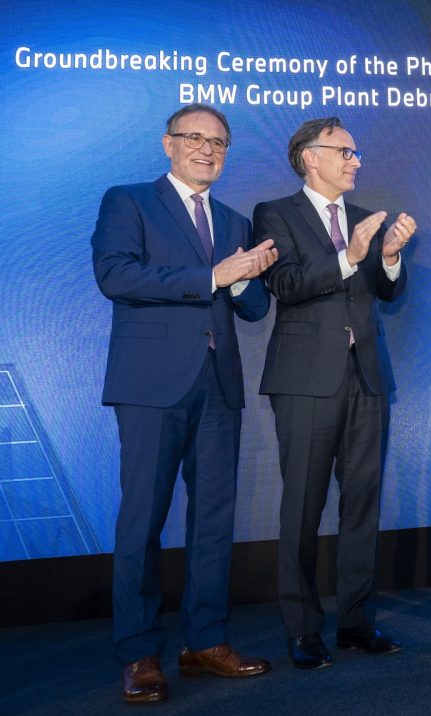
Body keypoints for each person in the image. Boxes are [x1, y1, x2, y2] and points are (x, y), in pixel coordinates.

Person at [91, 103, 276, 703]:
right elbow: (116, 276)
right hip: (150, 385)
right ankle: (138, 652)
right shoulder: (128, 201)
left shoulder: (234, 220)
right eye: (194, 137)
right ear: (168, 144)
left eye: (218, 142)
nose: (206, 149)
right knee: (141, 521)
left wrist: (243, 278)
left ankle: (205, 641)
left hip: (218, 385)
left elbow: (254, 308)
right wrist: (212, 277)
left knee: (214, 520)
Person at [255, 117, 416, 667]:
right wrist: (350, 255)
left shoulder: (366, 219)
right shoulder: (275, 214)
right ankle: (302, 628)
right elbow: (286, 284)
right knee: (302, 505)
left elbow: (387, 295)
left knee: (363, 504)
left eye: (355, 151)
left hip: (367, 376)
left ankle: (356, 622)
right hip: (305, 380)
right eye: (345, 151)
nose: (356, 160)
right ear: (310, 157)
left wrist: (389, 257)